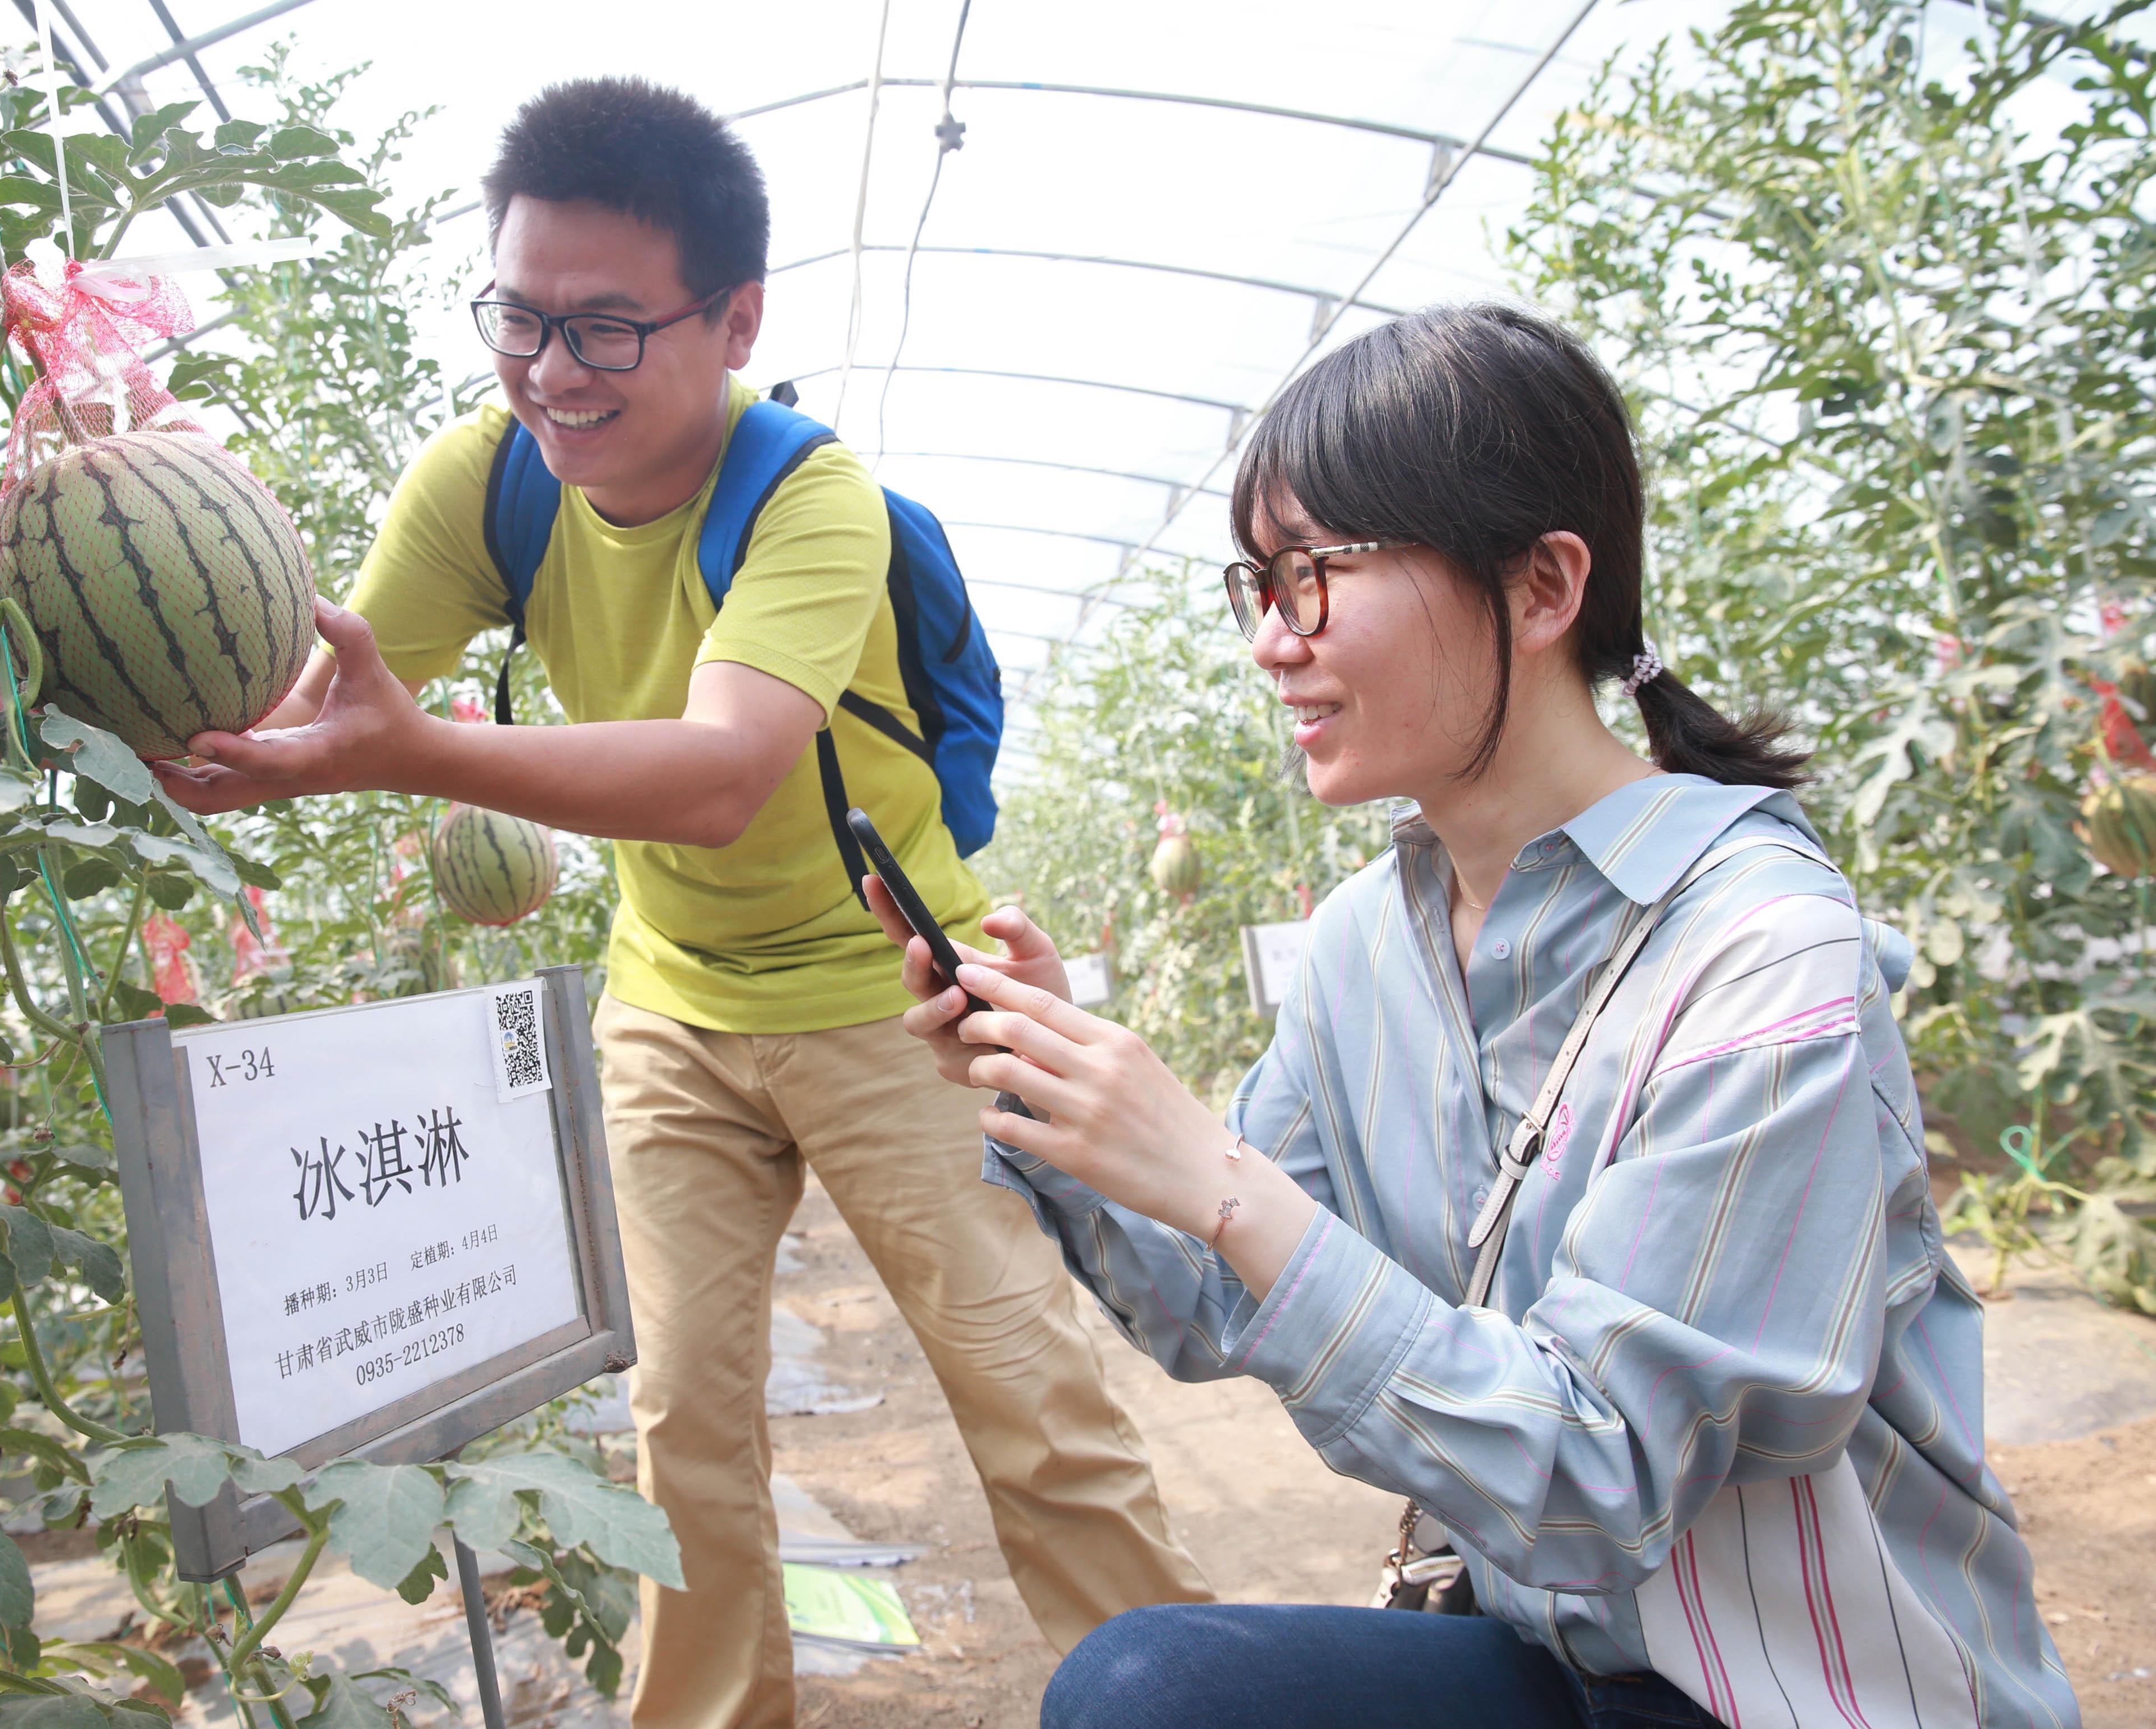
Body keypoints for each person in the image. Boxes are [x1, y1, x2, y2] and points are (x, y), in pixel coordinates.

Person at [155, 77, 1210, 1729]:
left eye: (606, 330)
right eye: (519, 315)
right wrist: (126, 673)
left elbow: (724, 772)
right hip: (673, 1003)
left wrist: (411, 755)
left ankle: (1197, 1700)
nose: (550, 374)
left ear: (734, 321)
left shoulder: (811, 499)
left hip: (898, 1001)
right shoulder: (486, 480)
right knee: (682, 1431)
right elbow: (314, 700)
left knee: (1031, 1399)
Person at [871, 304, 2079, 1728]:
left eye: (1315, 575)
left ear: (1544, 586)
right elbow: (1212, 1308)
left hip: (1798, 1693)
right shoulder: (1361, 951)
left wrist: (1221, 1178)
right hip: (1566, 1662)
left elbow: (1605, 1476)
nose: (1273, 640)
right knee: (1150, 1687)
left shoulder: (1762, 956)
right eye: (1257, 584)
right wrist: (1054, 1097)